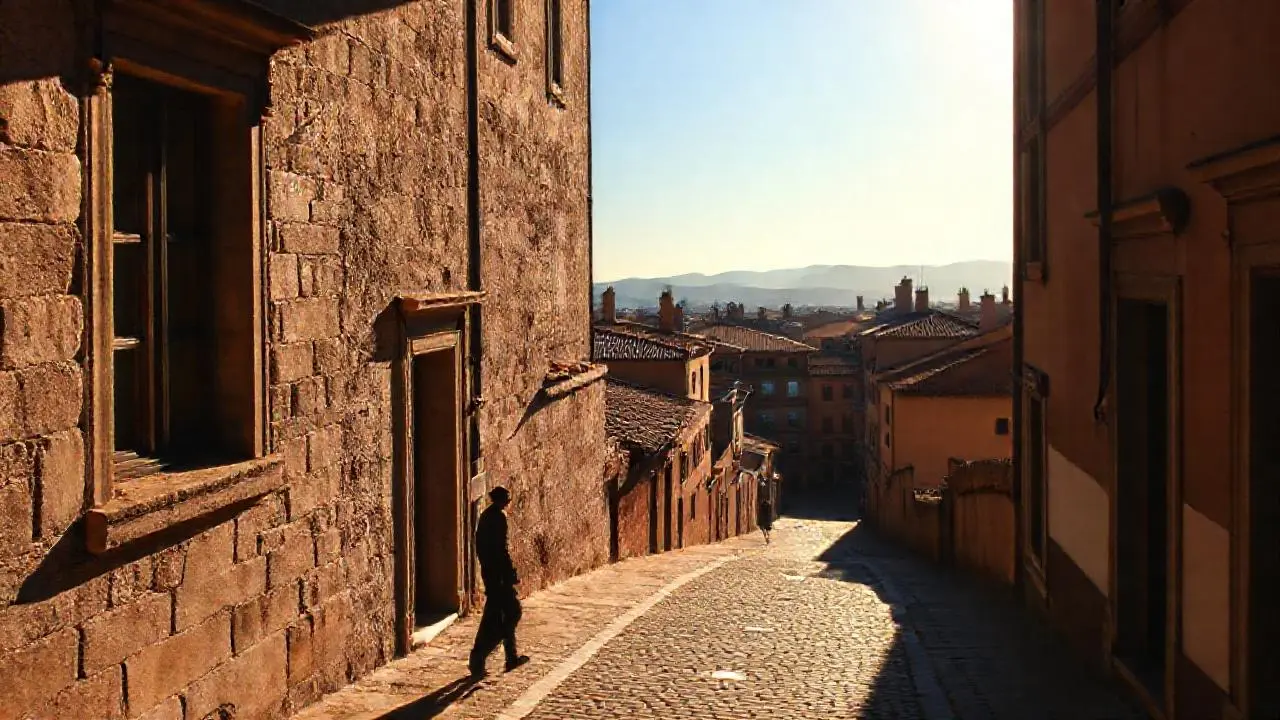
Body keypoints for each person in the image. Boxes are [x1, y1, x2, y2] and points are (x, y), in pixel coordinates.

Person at [468, 486, 530, 677]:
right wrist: (508, 573)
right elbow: (501, 549)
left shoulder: (487, 516)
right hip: (498, 577)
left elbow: (482, 548)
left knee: (503, 615)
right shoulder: (498, 517)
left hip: (492, 574)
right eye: (507, 499)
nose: (509, 502)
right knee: (508, 615)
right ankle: (479, 657)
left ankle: (509, 657)